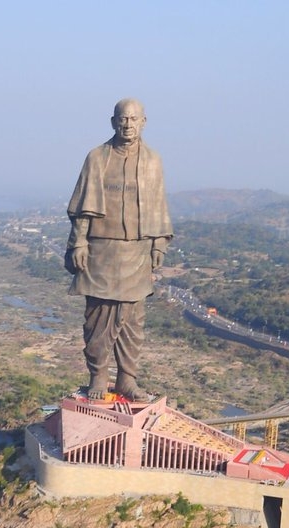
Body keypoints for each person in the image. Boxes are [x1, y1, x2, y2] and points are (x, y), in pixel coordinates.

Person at [65, 97, 173, 401]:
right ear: (113, 122)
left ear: (143, 122)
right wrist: (79, 241)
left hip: (137, 249)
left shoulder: (153, 160)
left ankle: (127, 377)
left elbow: (158, 204)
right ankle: (98, 373)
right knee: (98, 316)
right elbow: (83, 206)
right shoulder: (97, 157)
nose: (128, 125)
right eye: (123, 119)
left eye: (134, 119)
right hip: (101, 248)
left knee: (132, 320)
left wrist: (158, 244)